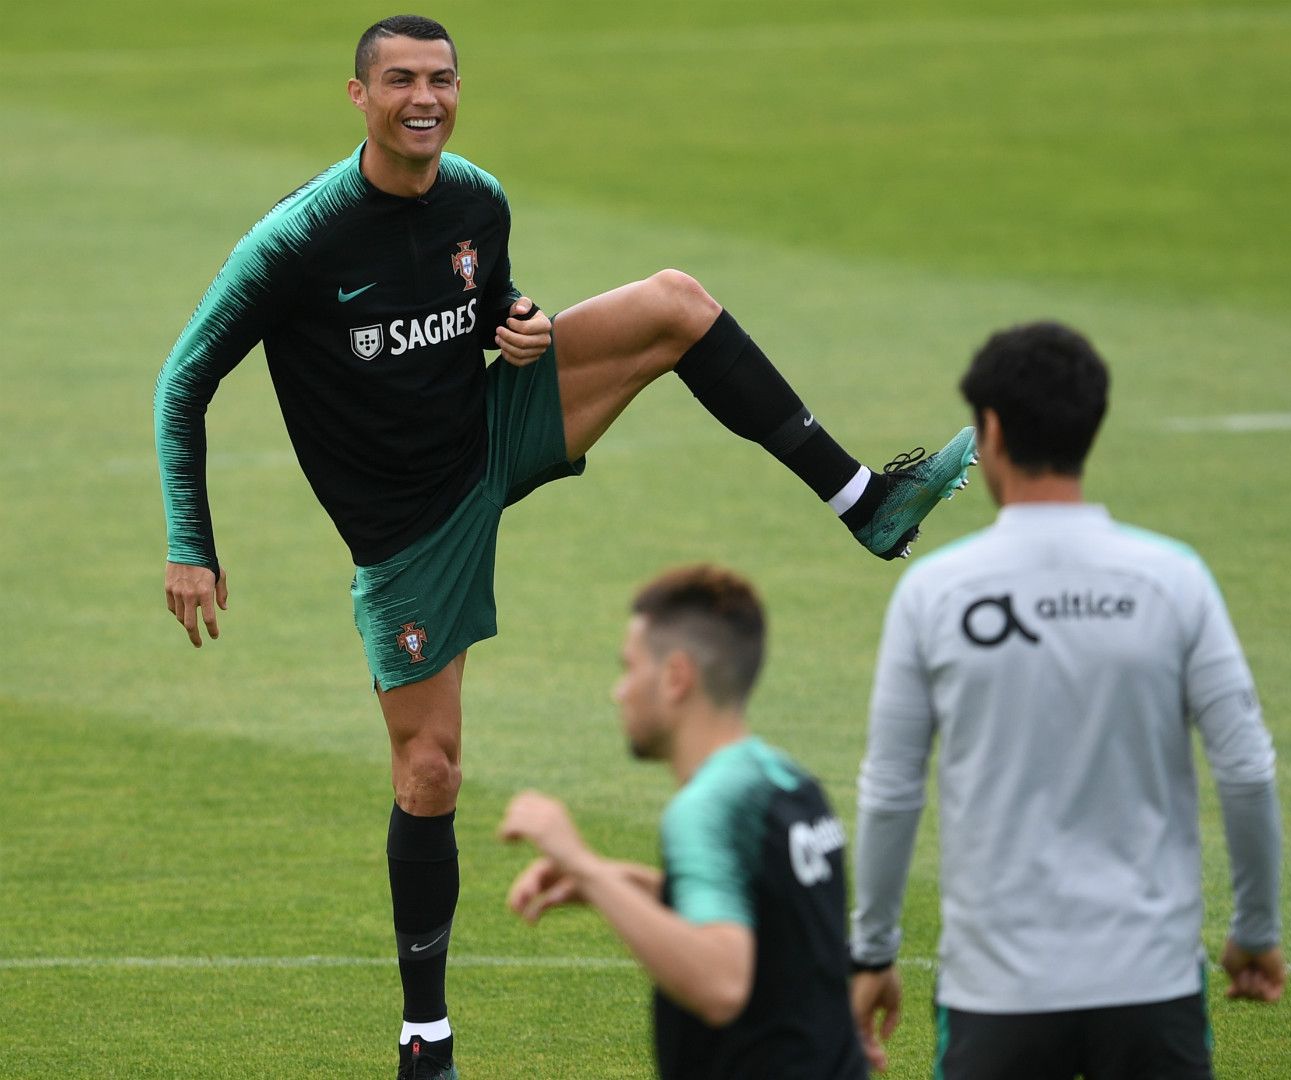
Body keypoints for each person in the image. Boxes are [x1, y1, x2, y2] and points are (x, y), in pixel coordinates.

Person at [152, 15, 971, 1078]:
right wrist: (189, 542)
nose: (424, 99)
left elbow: (492, 304)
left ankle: (864, 499)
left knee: (675, 303)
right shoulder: (297, 241)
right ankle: (426, 1036)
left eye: (441, 79)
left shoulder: (477, 199)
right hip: (409, 530)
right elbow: (184, 380)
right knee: (432, 770)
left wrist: (522, 323)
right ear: (358, 97)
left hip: (493, 427)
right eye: (399, 80)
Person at [848, 322, 1285, 1079]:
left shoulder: (936, 592)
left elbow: (892, 790)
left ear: (989, 431)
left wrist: (875, 951)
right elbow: (1245, 768)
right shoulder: (1172, 579)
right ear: (1092, 424)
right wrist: (1254, 928)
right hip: (1151, 986)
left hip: (997, 991)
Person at [498, 563, 866, 1078]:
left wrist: (585, 866)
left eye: (629, 668)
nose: (618, 691)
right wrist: (619, 884)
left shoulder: (705, 811)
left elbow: (720, 986)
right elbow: (768, 920)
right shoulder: (791, 783)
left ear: (676, 677)